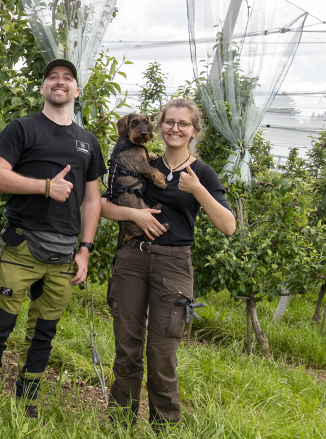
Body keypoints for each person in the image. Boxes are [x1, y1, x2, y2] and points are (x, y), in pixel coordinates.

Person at [0, 58, 105, 419]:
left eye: (67, 78)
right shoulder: (22, 128)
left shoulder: (88, 142)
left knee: (44, 332)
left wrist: (86, 250)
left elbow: (92, 200)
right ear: (43, 88)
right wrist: (46, 187)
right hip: (22, 246)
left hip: (64, 253)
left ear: (77, 91)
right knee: (0, 325)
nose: (59, 82)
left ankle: (27, 398)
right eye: (52, 78)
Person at [100, 98, 235, 431]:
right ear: (159, 126)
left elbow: (228, 225)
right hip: (133, 257)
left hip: (173, 265)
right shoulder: (146, 162)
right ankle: (120, 425)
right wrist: (135, 214)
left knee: (162, 353)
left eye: (183, 124)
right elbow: (103, 206)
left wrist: (198, 190)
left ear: (193, 130)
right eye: (169, 122)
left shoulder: (201, 172)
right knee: (127, 347)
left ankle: (164, 429)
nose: (175, 128)